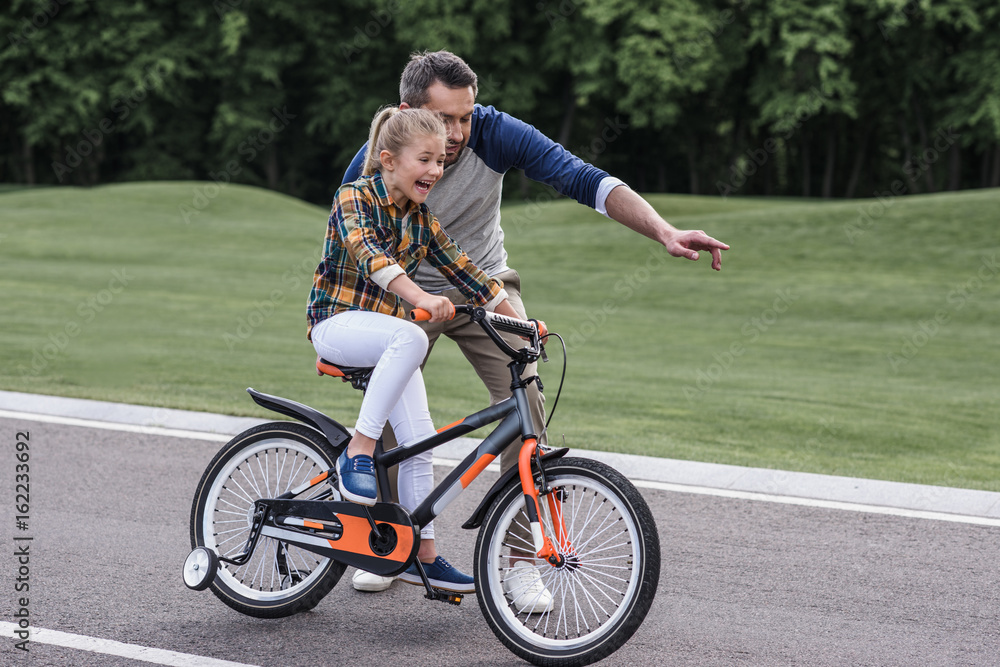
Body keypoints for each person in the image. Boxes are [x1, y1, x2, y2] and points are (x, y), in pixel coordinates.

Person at [345, 51, 730, 609]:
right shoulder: (376, 157)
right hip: (402, 290)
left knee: (526, 401)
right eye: (443, 119)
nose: (456, 134)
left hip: (485, 284)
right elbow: (348, 243)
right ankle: (384, 541)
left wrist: (663, 230)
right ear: (408, 112)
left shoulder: (496, 134)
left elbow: (582, 177)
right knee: (382, 408)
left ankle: (523, 561)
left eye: (465, 117)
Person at [307, 105, 524, 593]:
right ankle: (359, 451)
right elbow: (372, 257)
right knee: (407, 332)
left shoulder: (422, 219)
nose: (435, 170)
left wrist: (521, 321)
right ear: (387, 159)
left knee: (421, 442)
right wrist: (424, 298)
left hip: (386, 333)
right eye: (424, 160)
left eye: (440, 163)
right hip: (337, 324)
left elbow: (470, 272)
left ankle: (421, 554)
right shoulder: (353, 198)